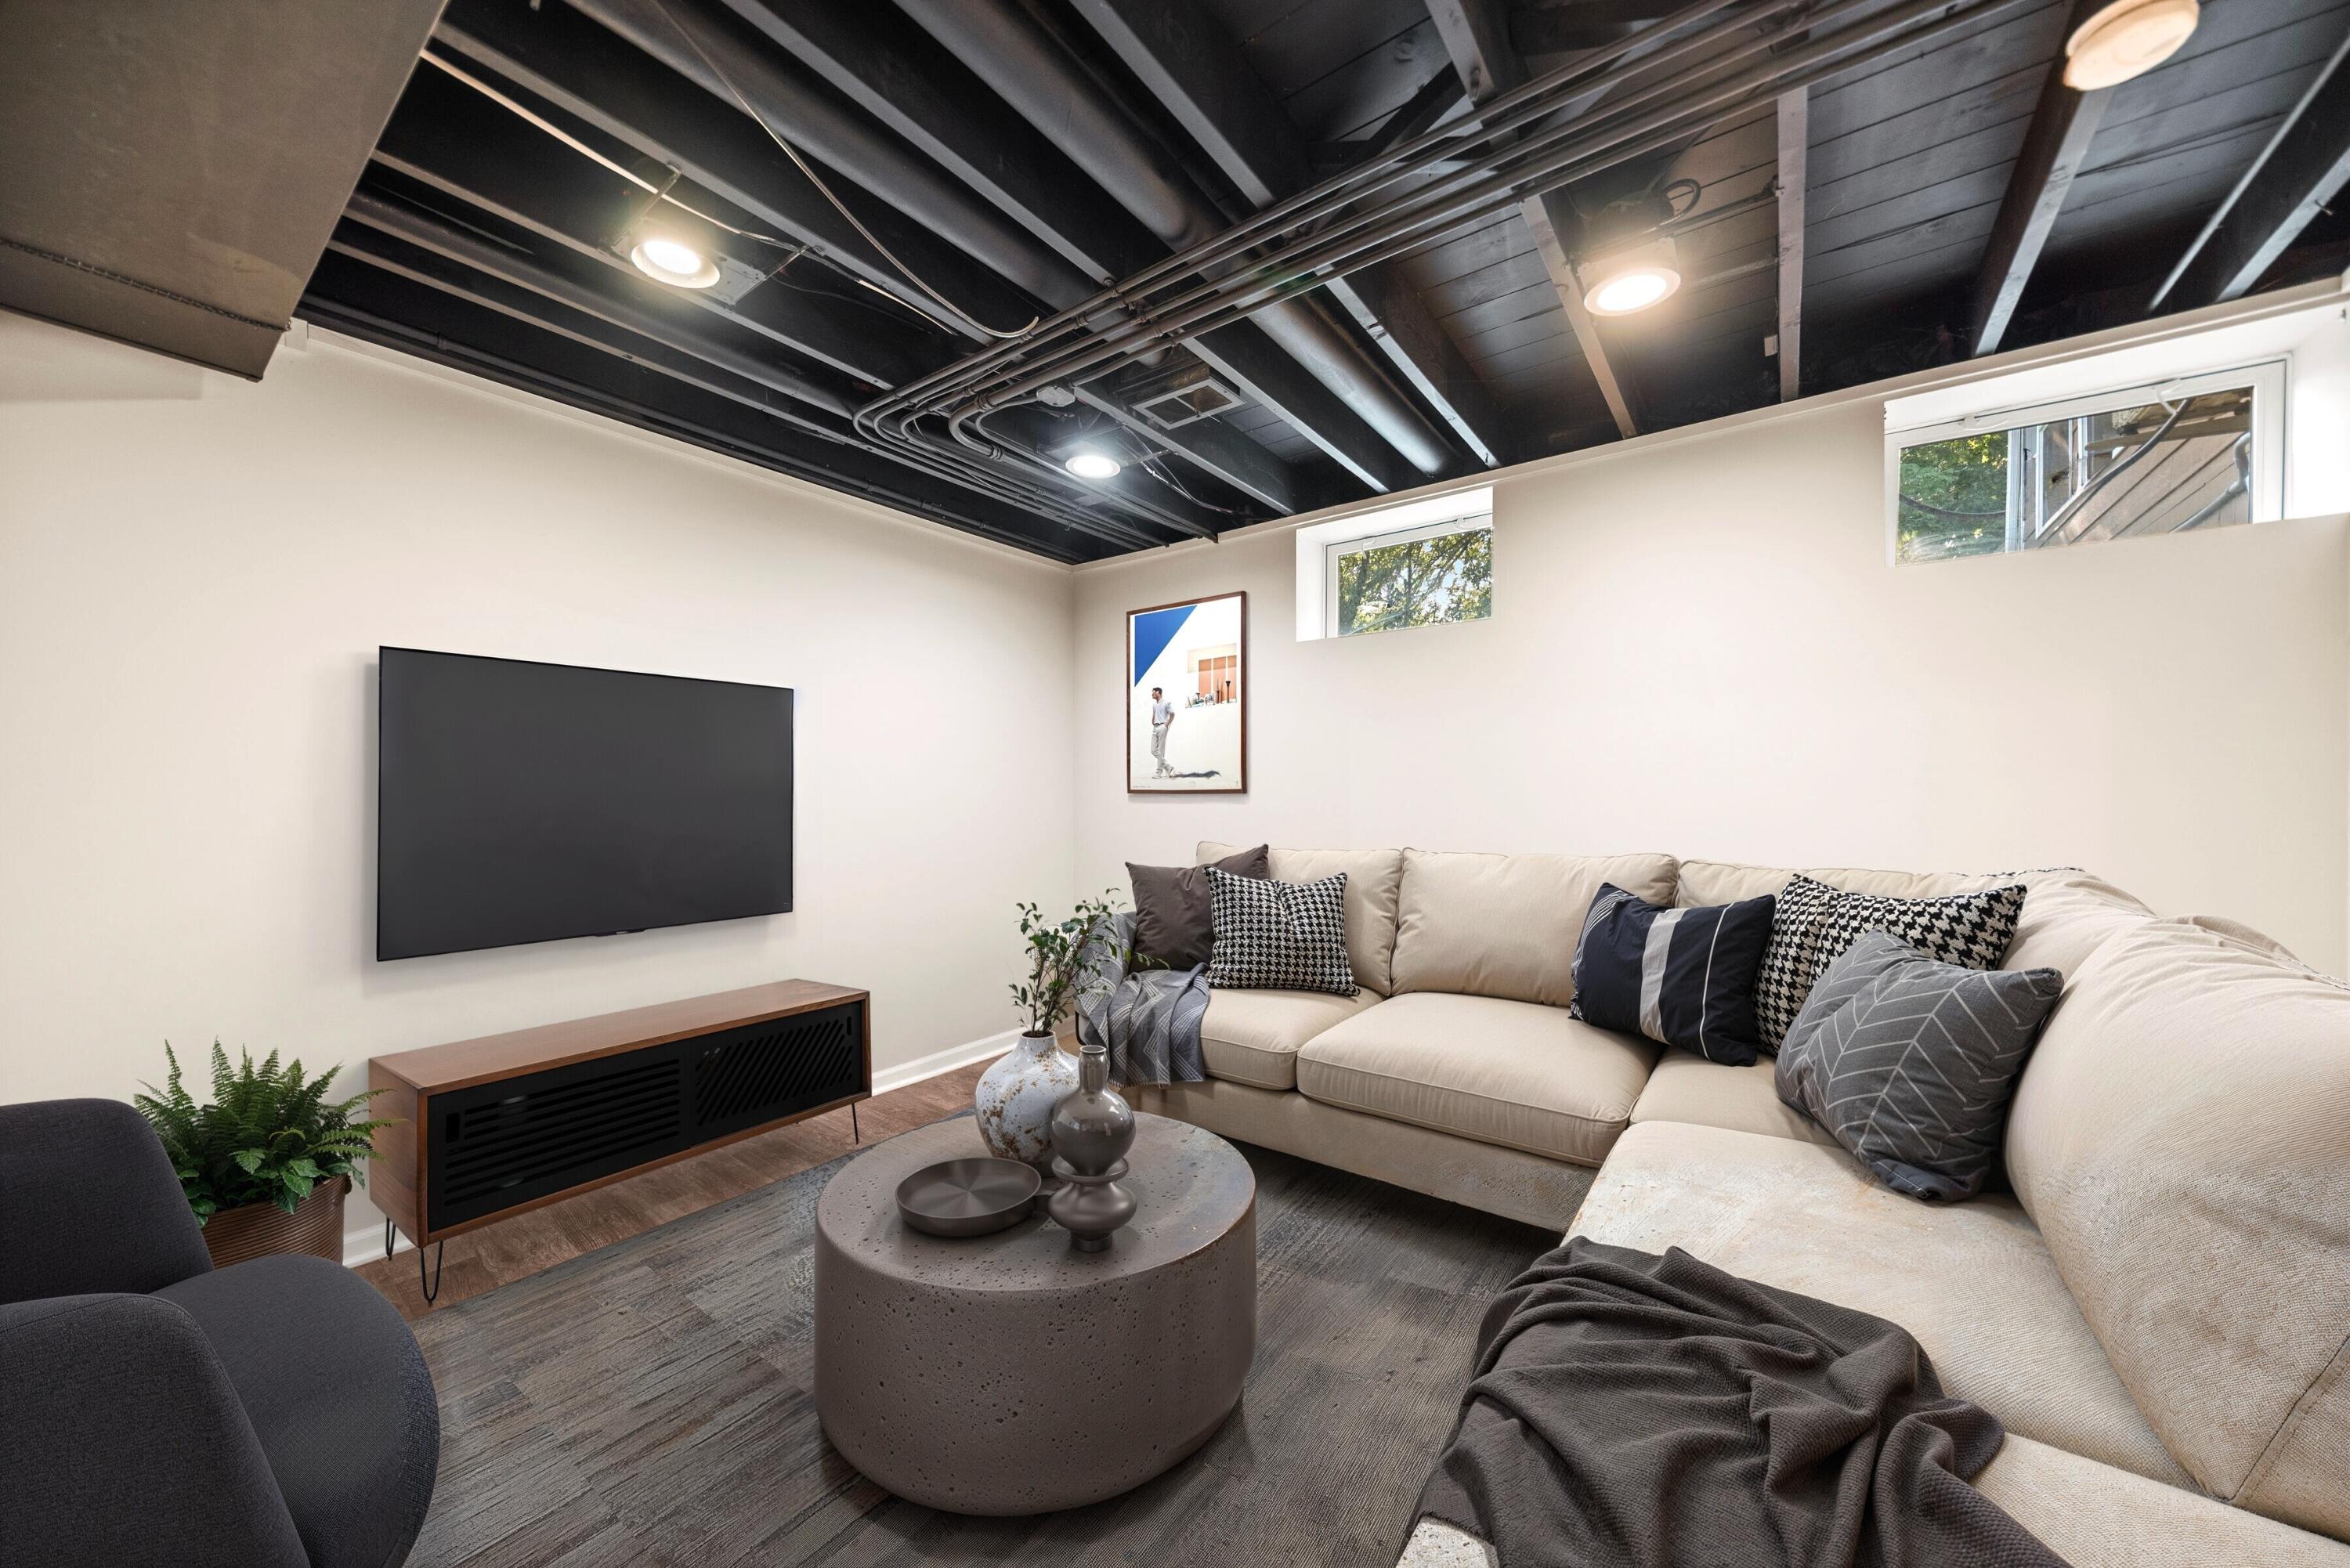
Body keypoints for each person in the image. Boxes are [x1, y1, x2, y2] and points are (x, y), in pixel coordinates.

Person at [1146, 685, 1175, 779]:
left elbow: (1172, 714)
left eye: (1153, 692)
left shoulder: (1166, 703)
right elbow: (1154, 714)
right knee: (1153, 750)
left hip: (1163, 726)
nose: (1152, 694)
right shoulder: (1154, 705)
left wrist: (1166, 725)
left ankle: (1159, 772)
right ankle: (1168, 767)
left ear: (1158, 692)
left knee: (1161, 751)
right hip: (1155, 727)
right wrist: (1153, 722)